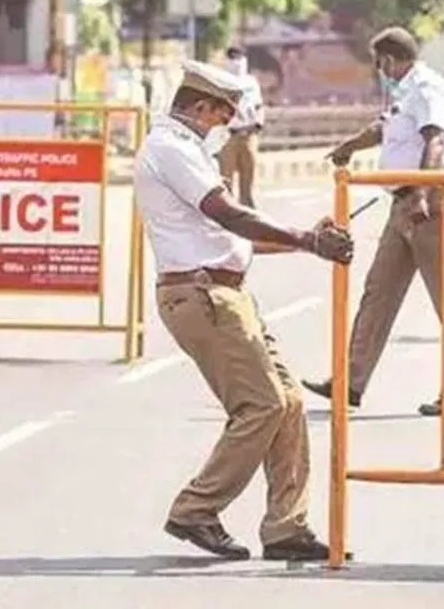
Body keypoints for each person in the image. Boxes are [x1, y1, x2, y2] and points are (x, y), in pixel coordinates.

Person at [134, 60, 354, 561]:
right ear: (199, 106)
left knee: (291, 402)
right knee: (262, 406)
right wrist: (306, 240)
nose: (225, 122)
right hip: (203, 297)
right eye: (221, 113)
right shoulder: (170, 149)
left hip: (225, 294)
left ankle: (285, 527)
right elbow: (227, 214)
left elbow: (230, 236)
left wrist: (308, 242)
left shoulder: (189, 150)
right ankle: (195, 509)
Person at [301, 27, 444, 418]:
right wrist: (349, 147)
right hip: (400, 204)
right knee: (378, 293)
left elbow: (434, 140)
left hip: (428, 203)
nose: (379, 70)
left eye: (379, 63)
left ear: (389, 60)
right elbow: (385, 129)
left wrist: (423, 189)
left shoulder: (428, 89)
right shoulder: (403, 91)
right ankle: (350, 383)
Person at [217, 46, 265, 207]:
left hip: (248, 134)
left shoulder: (251, 82)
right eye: (233, 58)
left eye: (239, 57)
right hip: (227, 135)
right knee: (226, 178)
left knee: (248, 176)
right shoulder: (219, 81)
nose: (236, 62)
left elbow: (258, 106)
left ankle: (248, 212)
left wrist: (258, 125)